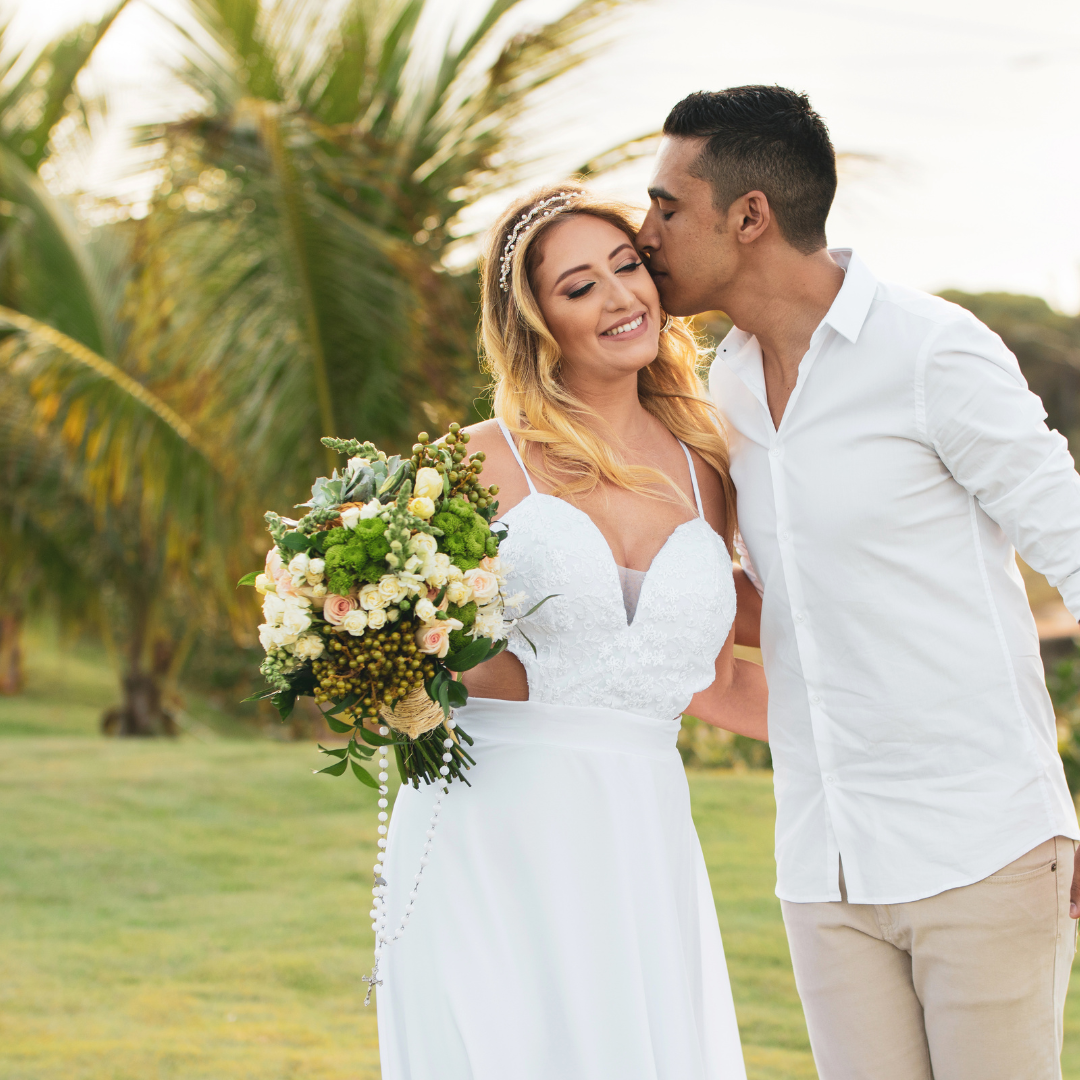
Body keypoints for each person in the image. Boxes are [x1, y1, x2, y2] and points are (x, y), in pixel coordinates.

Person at [637, 83, 1080, 1080]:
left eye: (666, 205)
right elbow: (793, 600)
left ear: (748, 215)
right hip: (824, 861)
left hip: (985, 846)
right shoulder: (732, 383)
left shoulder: (934, 352)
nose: (645, 232)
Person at [375, 183, 768, 1079]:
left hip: (640, 827)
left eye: (627, 267)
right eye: (579, 286)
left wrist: (890, 733)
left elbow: (716, 682)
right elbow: (399, 658)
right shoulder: (477, 461)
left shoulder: (711, 469)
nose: (621, 298)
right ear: (536, 320)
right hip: (492, 817)